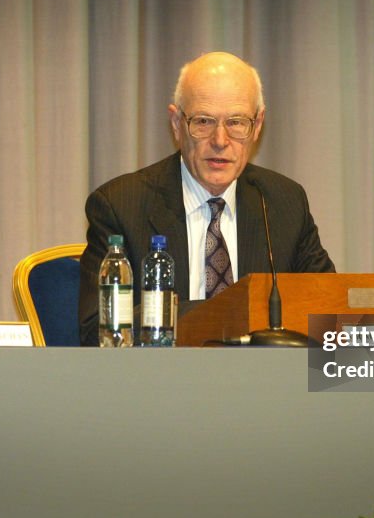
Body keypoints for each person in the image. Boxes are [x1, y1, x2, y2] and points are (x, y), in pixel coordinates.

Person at [78, 51, 334, 345]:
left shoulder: (283, 201)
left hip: (263, 385)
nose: (221, 141)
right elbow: (95, 330)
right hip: (163, 384)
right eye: (203, 122)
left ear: (258, 124)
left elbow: (326, 309)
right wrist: (223, 314)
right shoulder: (121, 205)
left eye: (237, 122)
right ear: (176, 123)